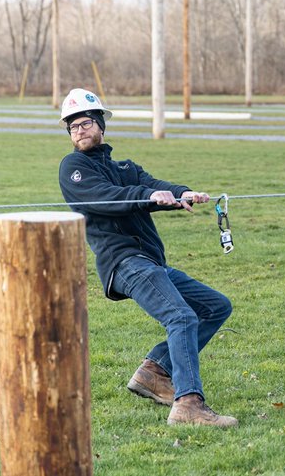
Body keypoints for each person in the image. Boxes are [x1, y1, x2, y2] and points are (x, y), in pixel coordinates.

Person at [57, 88, 238, 428]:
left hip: (151, 263)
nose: (78, 131)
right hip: (124, 263)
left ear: (100, 126)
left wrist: (183, 193)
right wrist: (148, 196)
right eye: (72, 127)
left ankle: (155, 371)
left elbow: (153, 183)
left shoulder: (124, 167)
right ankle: (188, 404)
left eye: (84, 124)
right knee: (181, 317)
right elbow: (109, 198)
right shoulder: (74, 168)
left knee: (215, 306)